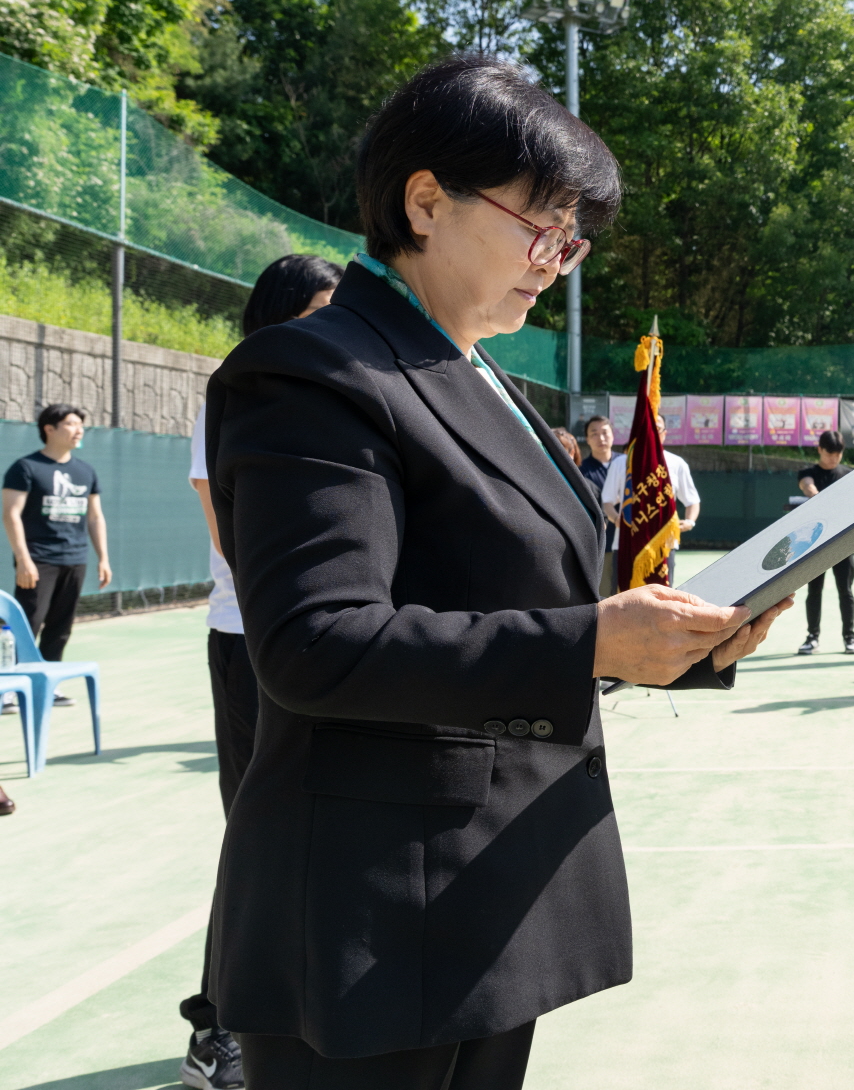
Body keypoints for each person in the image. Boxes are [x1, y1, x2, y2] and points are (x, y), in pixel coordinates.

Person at [202, 53, 788, 1085]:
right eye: (539, 226)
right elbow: (315, 643)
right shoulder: (317, 370)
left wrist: (688, 644)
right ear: (425, 202)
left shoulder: (473, 371)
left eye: (574, 239)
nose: (558, 258)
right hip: (374, 920)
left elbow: (533, 606)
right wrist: (593, 639)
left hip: (484, 897)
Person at [180, 251, 340, 1089]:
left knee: (315, 836)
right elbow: (232, 534)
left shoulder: (325, 392)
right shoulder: (237, 391)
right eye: (322, 305)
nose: (336, 319)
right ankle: (218, 1031)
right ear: (281, 310)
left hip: (317, 644)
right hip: (251, 640)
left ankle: (291, 1015)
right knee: (255, 836)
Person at [3, 404, 112, 683]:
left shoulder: (85, 471)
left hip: (75, 559)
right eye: (72, 424)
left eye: (81, 425)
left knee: (61, 627)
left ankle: (48, 683)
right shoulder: (25, 467)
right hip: (38, 561)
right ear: (49, 429)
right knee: (27, 625)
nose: (79, 430)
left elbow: (95, 517)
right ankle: (10, 685)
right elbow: (11, 514)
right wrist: (23, 559)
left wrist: (103, 558)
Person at [601, 414, 700, 583]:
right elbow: (607, 501)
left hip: (663, 546)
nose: (651, 433)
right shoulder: (621, 463)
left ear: (664, 434)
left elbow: (692, 500)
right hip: (626, 543)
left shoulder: (677, 463)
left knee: (663, 600)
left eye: (657, 428)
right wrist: (615, 518)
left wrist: (689, 522)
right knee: (625, 600)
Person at [796, 430, 854, 655]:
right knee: (814, 590)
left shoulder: (849, 474)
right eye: (830, 452)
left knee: (846, 591)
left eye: (838, 453)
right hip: (815, 543)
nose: (834, 457)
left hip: (843, 543)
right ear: (820, 449)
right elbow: (807, 485)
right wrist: (815, 494)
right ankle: (812, 638)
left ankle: (849, 638)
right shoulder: (808, 472)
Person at [580, 415, 624, 596]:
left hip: (629, 544)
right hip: (602, 547)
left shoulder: (628, 464)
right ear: (588, 439)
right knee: (607, 598)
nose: (601, 438)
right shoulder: (581, 471)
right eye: (595, 434)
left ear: (613, 435)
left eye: (605, 433)